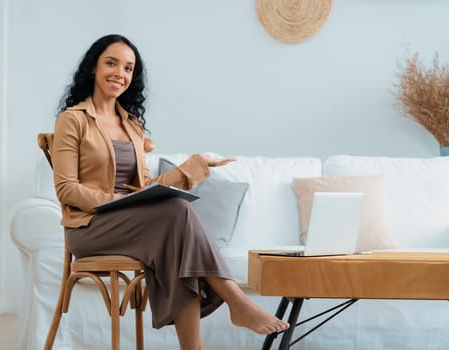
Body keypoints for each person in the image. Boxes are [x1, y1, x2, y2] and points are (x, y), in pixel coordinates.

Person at [51, 33, 289, 349]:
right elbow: (66, 189)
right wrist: (117, 202)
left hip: (132, 224)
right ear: (93, 68)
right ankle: (235, 301)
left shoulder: (131, 126)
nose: (119, 73)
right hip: (90, 228)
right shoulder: (72, 120)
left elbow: (144, 189)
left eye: (128, 68)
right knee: (177, 215)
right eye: (111, 63)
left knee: (177, 232)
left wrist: (195, 164)